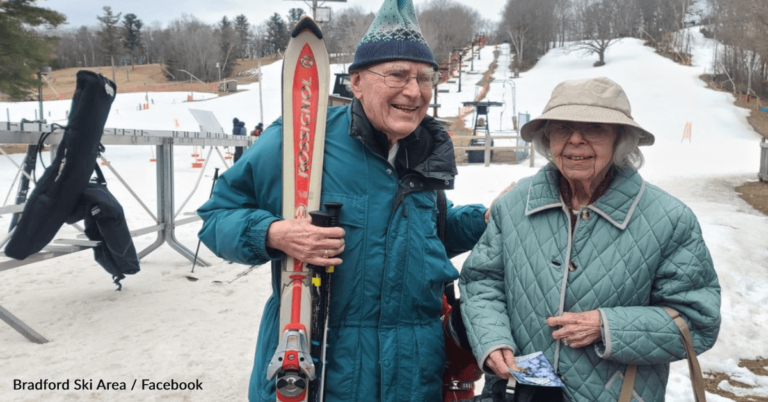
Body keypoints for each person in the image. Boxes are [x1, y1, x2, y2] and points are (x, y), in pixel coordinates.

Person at [197, 1, 488, 401]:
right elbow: (216, 218)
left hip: (413, 374)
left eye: (425, 78)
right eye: (398, 75)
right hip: (323, 372)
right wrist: (273, 232)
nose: (414, 91)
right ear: (357, 82)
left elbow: (430, 235)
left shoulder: (422, 152)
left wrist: (488, 218)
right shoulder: (302, 139)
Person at [459, 77, 721, 402]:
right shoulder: (515, 204)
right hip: (521, 393)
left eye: (594, 128)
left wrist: (608, 326)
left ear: (620, 138)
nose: (575, 140)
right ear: (547, 137)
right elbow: (481, 282)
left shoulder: (669, 219)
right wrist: (493, 340)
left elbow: (697, 321)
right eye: (563, 127)